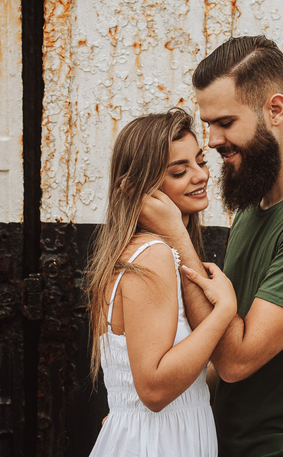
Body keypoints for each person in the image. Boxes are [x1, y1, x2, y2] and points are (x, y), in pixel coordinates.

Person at [139, 35, 283, 456]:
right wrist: (144, 415)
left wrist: (177, 236)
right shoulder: (254, 203)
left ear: (275, 109)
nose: (211, 140)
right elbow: (218, 348)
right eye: (209, 124)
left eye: (225, 123)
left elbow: (235, 360)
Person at [86, 108, 238, 457]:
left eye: (200, 162)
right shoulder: (152, 256)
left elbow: (184, 380)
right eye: (180, 171)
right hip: (156, 444)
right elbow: (154, 390)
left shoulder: (139, 251)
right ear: (140, 189)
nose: (200, 176)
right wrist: (223, 312)